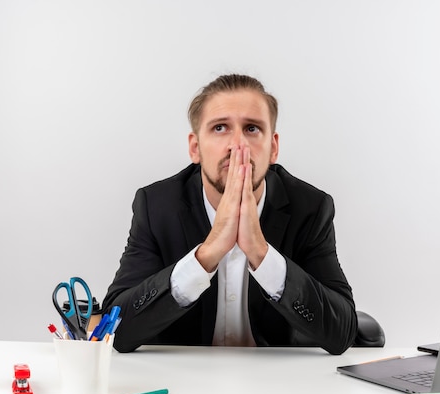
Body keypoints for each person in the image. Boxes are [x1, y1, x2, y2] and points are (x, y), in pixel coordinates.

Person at [101, 74, 358, 355]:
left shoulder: (310, 208)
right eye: (220, 127)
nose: (238, 145)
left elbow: (342, 332)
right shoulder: (156, 206)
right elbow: (116, 330)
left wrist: (261, 253)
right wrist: (207, 254)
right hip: (181, 383)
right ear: (195, 147)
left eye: (251, 129)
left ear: (273, 148)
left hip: (279, 386)